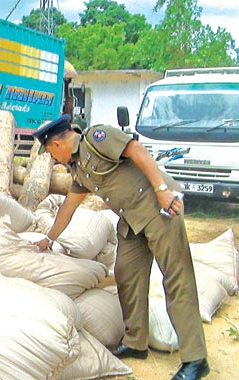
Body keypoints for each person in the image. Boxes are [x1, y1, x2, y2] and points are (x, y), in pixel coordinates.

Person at [33, 114, 209, 380]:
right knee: (126, 274)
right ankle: (137, 342)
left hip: (159, 209)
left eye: (51, 153)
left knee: (177, 281)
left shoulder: (96, 139)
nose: (55, 160)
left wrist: (162, 189)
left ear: (57, 144)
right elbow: (68, 207)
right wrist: (49, 239)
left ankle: (196, 359)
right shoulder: (80, 168)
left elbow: (137, 150)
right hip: (132, 220)